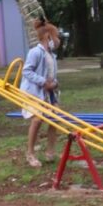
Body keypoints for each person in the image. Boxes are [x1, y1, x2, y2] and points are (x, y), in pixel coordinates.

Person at [20, 18, 61, 167]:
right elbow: (27, 71)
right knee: (37, 120)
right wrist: (43, 82)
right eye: (56, 37)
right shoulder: (35, 52)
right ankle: (30, 153)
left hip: (48, 93)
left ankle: (50, 152)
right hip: (33, 92)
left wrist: (54, 84)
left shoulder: (51, 55)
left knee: (54, 118)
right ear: (48, 37)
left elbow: (52, 75)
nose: (58, 41)